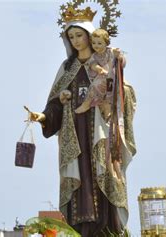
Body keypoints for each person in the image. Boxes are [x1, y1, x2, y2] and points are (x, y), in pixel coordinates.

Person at [28, 7, 137, 237]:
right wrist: (44, 116)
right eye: (71, 37)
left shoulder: (104, 61)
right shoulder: (68, 68)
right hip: (75, 132)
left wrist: (114, 91)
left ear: (90, 35)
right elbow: (55, 103)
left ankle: (108, 229)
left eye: (79, 35)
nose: (76, 41)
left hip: (100, 130)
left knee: (103, 174)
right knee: (81, 179)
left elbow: (121, 89)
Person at [74, 29, 123, 120]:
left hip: (111, 77)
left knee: (110, 93)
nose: (96, 46)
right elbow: (92, 64)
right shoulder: (95, 55)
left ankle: (108, 108)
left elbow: (121, 62)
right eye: (94, 43)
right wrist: (97, 68)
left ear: (106, 43)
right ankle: (86, 104)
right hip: (101, 77)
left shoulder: (111, 52)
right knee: (93, 86)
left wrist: (118, 56)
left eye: (99, 43)